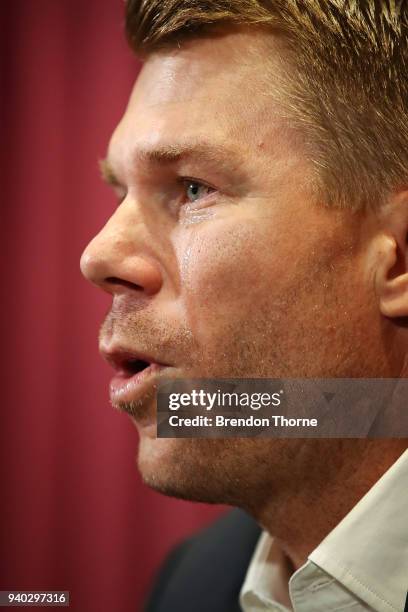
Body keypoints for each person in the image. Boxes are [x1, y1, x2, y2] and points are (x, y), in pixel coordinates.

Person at [80, 1, 408, 610]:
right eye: (120, 190)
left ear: (398, 259)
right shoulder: (191, 584)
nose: (98, 256)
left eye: (192, 188)